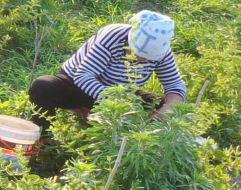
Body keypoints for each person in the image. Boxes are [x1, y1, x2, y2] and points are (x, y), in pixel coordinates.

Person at [28, 10, 187, 126]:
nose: (142, 59)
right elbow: (83, 76)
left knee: (169, 107)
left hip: (120, 95)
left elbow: (175, 87)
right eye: (139, 53)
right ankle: (44, 136)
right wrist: (113, 105)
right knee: (43, 86)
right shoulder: (113, 36)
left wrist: (164, 112)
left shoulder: (161, 51)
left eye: (147, 57)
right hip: (77, 87)